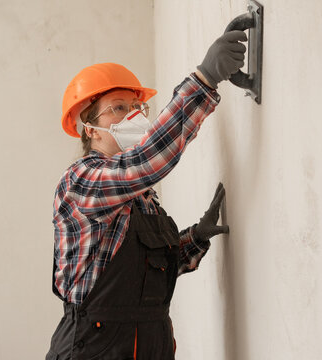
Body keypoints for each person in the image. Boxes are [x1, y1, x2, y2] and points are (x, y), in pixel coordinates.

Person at [45, 29, 247, 360]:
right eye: (119, 107)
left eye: (138, 106)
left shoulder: (143, 198)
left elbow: (146, 279)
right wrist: (205, 78)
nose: (134, 115)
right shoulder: (81, 182)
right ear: (90, 128)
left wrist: (194, 238)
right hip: (93, 351)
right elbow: (146, 161)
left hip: (149, 346)